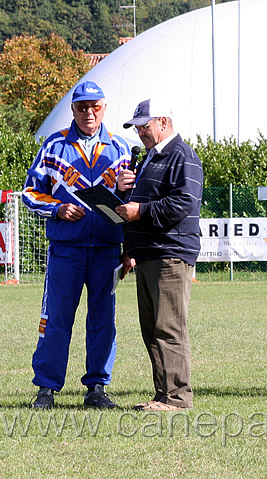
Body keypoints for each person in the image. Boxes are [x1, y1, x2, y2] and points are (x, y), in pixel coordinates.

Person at [22, 80, 131, 409]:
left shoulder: (121, 148)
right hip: (66, 250)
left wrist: (129, 188)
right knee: (56, 318)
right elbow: (29, 192)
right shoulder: (53, 147)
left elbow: (133, 203)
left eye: (95, 106)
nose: (89, 113)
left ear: (104, 108)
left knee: (103, 320)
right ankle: (46, 388)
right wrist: (56, 207)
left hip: (107, 250)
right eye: (82, 107)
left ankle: (97, 388)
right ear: (72, 109)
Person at [116, 99, 203, 411]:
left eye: (145, 125)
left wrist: (140, 210)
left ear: (164, 122)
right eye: (137, 127)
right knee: (152, 328)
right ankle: (163, 395)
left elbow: (184, 203)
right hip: (149, 255)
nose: (140, 132)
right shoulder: (149, 158)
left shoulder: (182, 155)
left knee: (168, 327)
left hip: (171, 254)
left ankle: (178, 398)